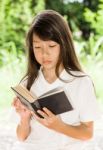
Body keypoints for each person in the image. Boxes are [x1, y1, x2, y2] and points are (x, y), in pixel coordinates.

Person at [11, 10, 100, 150]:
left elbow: (87, 133)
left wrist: (58, 126)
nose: (44, 53)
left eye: (51, 46)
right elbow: (21, 137)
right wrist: (24, 118)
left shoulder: (81, 82)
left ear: (64, 45)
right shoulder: (27, 83)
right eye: (37, 47)